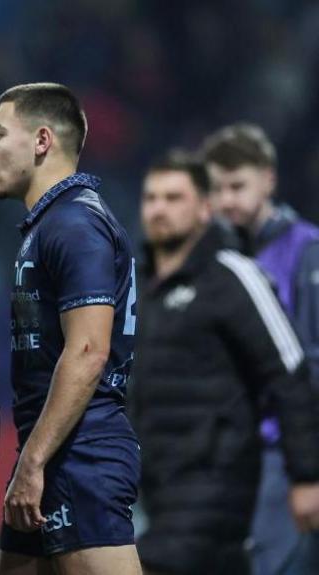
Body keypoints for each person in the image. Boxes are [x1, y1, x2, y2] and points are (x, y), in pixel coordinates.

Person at [0, 83, 141, 575]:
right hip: (51, 448)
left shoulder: (74, 223)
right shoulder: (50, 223)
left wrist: (32, 463)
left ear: (42, 140)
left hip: (78, 452)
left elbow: (89, 350)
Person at [131, 149, 319, 574]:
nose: (159, 209)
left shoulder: (233, 275)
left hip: (215, 482)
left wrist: (307, 476)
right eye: (152, 198)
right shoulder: (139, 287)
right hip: (156, 487)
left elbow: (289, 372)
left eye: (174, 198)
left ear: (204, 209)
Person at [200, 123, 319, 575]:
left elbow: (313, 364)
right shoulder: (212, 258)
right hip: (227, 453)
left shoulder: (306, 252)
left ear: (268, 180)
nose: (227, 200)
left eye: (238, 186)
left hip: (282, 453)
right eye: (217, 188)